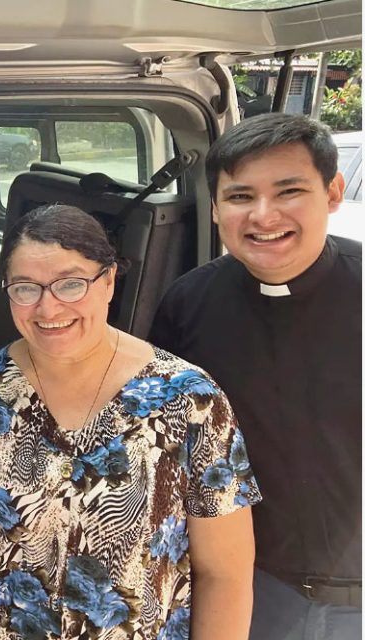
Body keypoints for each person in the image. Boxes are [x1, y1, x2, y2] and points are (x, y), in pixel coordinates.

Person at [0, 204, 261, 640]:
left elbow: (225, 573)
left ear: (109, 281)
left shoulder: (190, 400)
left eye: (71, 284)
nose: (48, 307)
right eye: (26, 288)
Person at [148, 113, 361, 639]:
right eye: (241, 197)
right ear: (217, 208)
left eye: (288, 191)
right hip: (252, 587)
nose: (264, 216)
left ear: (332, 192)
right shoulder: (187, 304)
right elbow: (167, 448)